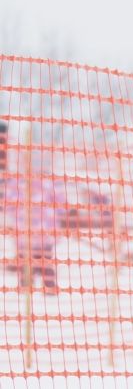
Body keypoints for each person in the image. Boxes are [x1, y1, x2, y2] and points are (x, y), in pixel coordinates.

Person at [0, 119, 65, 296]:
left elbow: (8, 202)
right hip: (41, 232)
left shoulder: (20, 180)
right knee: (42, 259)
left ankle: (28, 284)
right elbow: (60, 202)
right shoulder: (44, 181)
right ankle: (44, 285)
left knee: (31, 258)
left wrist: (12, 213)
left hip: (27, 231)